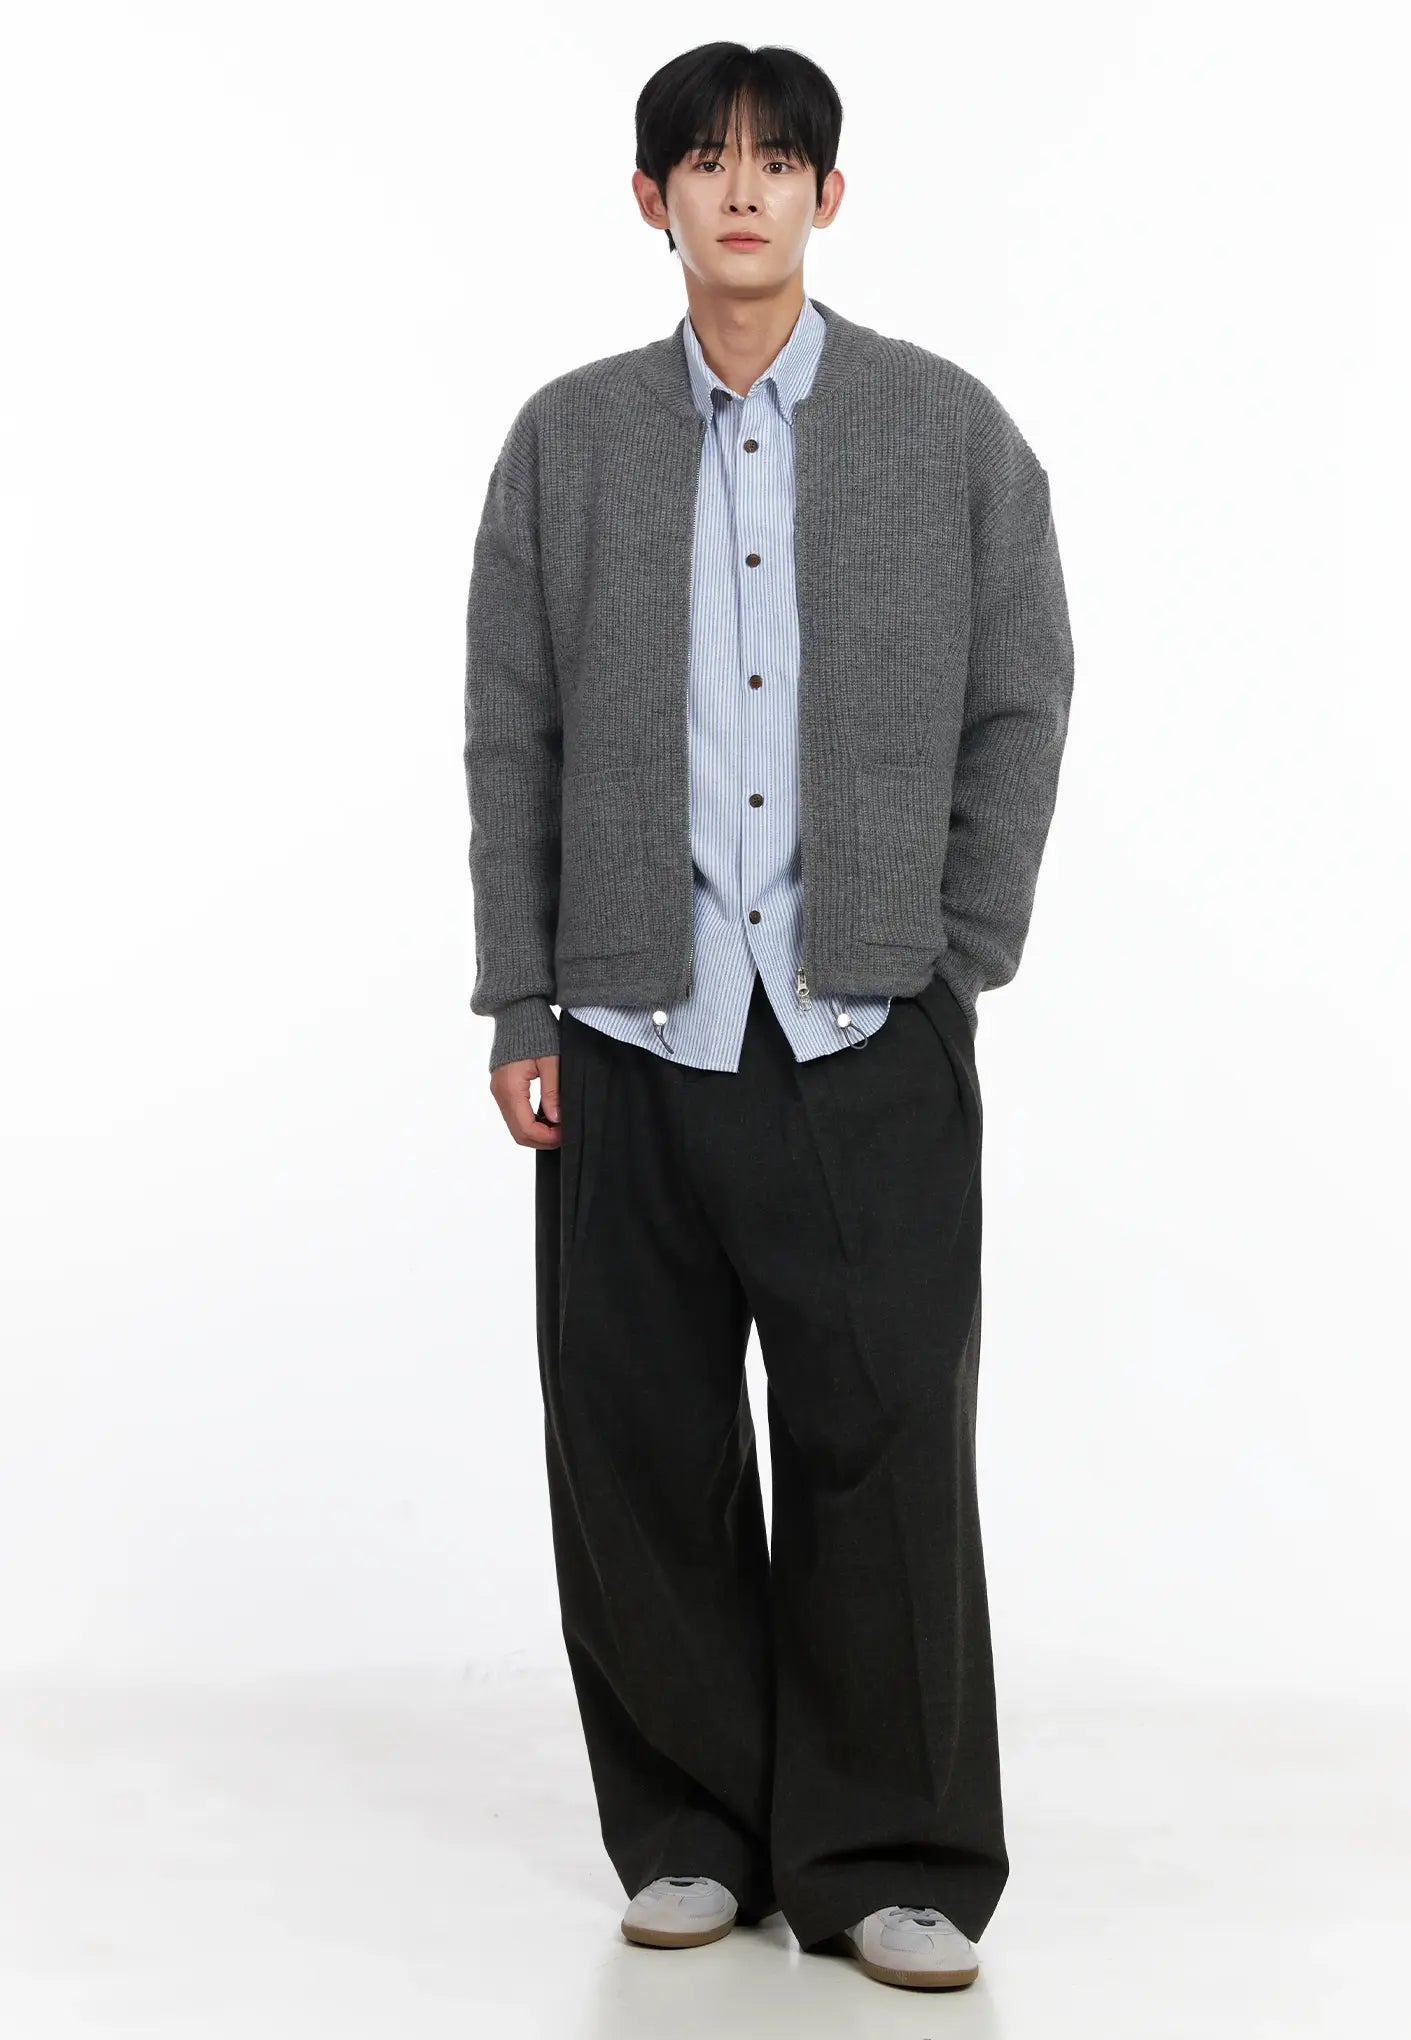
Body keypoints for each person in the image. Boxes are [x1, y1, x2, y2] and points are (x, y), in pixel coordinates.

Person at [462, 39, 1074, 1995]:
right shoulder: (566, 444)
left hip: (862, 1023)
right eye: (708, 162)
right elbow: (514, 733)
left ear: (830, 195)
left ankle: (890, 1856)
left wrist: (952, 946)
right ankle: (689, 1830)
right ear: (650, 200)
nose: (745, 190)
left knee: (882, 1450)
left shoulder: (944, 431)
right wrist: (521, 997)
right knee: (637, 1442)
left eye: (781, 160)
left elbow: (1022, 694)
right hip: (628, 1029)